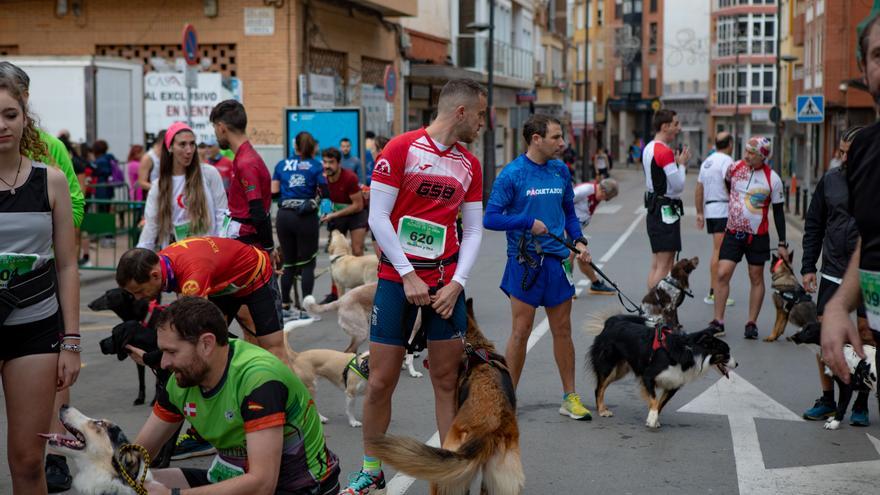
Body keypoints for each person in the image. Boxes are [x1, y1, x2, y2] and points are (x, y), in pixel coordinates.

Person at [339, 78, 485, 495]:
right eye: (479, 114)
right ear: (460, 112)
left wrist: (458, 283)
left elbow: (473, 231)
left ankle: (449, 475)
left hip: (445, 286)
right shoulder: (401, 149)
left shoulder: (470, 165)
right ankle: (371, 470)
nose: (482, 123)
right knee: (382, 379)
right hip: (396, 279)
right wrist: (406, 274)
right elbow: (378, 218)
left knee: (445, 379)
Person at [133, 297, 340, 495]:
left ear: (206, 344)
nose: (164, 363)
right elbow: (139, 455)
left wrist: (174, 494)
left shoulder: (259, 380)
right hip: (236, 476)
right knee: (132, 483)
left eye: (172, 352)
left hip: (299, 487)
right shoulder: (181, 379)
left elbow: (262, 485)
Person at [0, 70, 81, 493]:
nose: (1, 125)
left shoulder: (50, 180)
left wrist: (71, 341)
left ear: (25, 116)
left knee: (29, 461)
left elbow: (67, 265)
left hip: (34, 331)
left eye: (10, 114)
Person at [483, 113, 594, 420]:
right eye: (556, 137)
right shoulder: (512, 174)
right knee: (521, 331)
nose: (562, 143)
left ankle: (569, 397)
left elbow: (569, 212)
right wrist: (527, 222)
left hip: (557, 262)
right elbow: (490, 218)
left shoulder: (560, 170)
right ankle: (508, 399)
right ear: (536, 139)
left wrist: (580, 240)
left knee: (563, 330)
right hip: (524, 262)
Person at [821, 10, 880, 386]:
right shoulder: (864, 150)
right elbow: (872, 237)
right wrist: (841, 303)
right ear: (864, 67)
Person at [801, 126, 872, 425]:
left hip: (869, 273)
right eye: (841, 152)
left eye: (849, 153)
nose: (843, 158)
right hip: (832, 270)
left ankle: (861, 404)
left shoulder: (875, 181)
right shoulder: (830, 181)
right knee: (825, 337)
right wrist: (807, 267)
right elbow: (814, 225)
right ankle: (828, 398)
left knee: (867, 338)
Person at [709, 136, 788, 339]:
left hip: (758, 236)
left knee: (755, 277)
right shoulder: (734, 168)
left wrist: (782, 243)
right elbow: (728, 185)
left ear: (762, 156)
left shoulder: (773, 179)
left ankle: (751, 323)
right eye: (746, 151)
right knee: (722, 273)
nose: (746, 155)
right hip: (733, 232)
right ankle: (718, 321)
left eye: (752, 153)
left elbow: (778, 212)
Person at [137, 122, 228, 250]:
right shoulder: (159, 186)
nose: (189, 150)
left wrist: (222, 246)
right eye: (182, 144)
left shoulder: (209, 174)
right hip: (175, 256)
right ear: (170, 147)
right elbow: (151, 227)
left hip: (208, 253)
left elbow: (222, 213)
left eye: (192, 144)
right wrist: (139, 259)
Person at [272, 131, 328, 318]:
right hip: (305, 216)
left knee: (288, 262)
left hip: (284, 216)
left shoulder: (281, 164)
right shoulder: (316, 165)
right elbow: (325, 190)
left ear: (295, 146)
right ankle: (307, 308)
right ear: (312, 147)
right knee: (307, 264)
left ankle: (286, 306)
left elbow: (274, 193)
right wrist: (325, 209)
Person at [210, 99, 274, 252]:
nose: (215, 133)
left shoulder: (246, 162)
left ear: (221, 128)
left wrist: (269, 248)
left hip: (247, 245)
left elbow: (258, 211)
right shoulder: (245, 157)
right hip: (248, 242)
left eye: (214, 127)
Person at [643, 109, 690, 290]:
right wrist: (682, 165)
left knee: (657, 263)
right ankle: (656, 310)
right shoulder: (664, 151)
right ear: (665, 126)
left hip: (654, 206)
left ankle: (651, 309)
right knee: (665, 264)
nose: (678, 128)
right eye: (676, 124)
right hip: (665, 208)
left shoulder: (649, 147)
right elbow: (678, 186)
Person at [318, 146, 368, 305]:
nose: (327, 166)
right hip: (337, 215)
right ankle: (335, 293)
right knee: (335, 255)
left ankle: (359, 293)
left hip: (355, 213)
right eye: (325, 162)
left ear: (339, 163)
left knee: (357, 249)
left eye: (331, 162)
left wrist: (334, 214)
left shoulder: (349, 177)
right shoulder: (322, 178)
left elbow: (358, 205)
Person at [695, 131, 735, 306]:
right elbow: (731, 185)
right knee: (720, 251)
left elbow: (699, 188)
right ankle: (715, 291)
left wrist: (699, 212)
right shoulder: (727, 161)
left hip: (711, 208)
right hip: (723, 209)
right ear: (730, 144)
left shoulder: (707, 162)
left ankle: (715, 289)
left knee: (717, 250)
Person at [570, 177, 618, 295]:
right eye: (605, 198)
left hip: (577, 230)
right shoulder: (585, 190)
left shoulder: (596, 194)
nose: (604, 200)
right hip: (568, 228)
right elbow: (563, 202)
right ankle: (568, 286)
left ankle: (595, 284)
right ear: (603, 191)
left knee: (583, 256)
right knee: (569, 256)